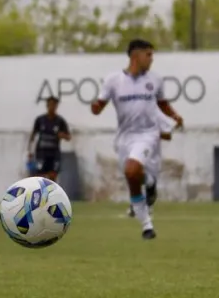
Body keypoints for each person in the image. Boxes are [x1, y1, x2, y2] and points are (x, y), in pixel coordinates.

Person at [92, 39, 183, 240]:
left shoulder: (155, 80)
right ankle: (146, 223)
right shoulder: (113, 80)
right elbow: (99, 104)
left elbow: (162, 103)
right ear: (136, 56)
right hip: (125, 137)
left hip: (148, 134)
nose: (152, 59)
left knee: (131, 170)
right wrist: (96, 107)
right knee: (133, 178)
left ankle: (146, 217)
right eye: (148, 55)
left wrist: (174, 116)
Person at [27, 96, 71, 181]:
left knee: (53, 176)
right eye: (50, 104)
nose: (52, 107)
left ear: (57, 106)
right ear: (47, 105)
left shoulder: (60, 121)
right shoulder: (40, 120)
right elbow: (33, 136)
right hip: (41, 153)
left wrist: (63, 135)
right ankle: (41, 193)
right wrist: (30, 151)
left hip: (54, 154)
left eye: (54, 105)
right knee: (40, 177)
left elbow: (68, 137)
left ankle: (51, 193)